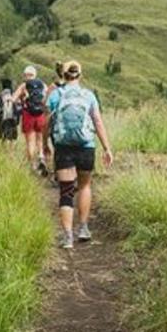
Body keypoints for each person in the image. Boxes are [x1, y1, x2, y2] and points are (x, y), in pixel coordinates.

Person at [46, 60, 113, 248]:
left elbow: (46, 123)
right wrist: (107, 148)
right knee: (84, 187)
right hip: (86, 147)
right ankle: (83, 228)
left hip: (63, 147)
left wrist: (45, 145)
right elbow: (98, 122)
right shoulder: (89, 95)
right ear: (80, 75)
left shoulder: (55, 95)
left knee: (66, 192)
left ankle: (67, 237)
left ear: (63, 75)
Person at [12, 65, 50, 175]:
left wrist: (19, 101)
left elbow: (13, 99)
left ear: (25, 75)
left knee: (30, 141)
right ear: (35, 74)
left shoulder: (24, 86)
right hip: (40, 115)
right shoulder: (43, 85)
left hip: (28, 115)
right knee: (40, 139)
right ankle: (41, 157)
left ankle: (33, 165)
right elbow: (47, 100)